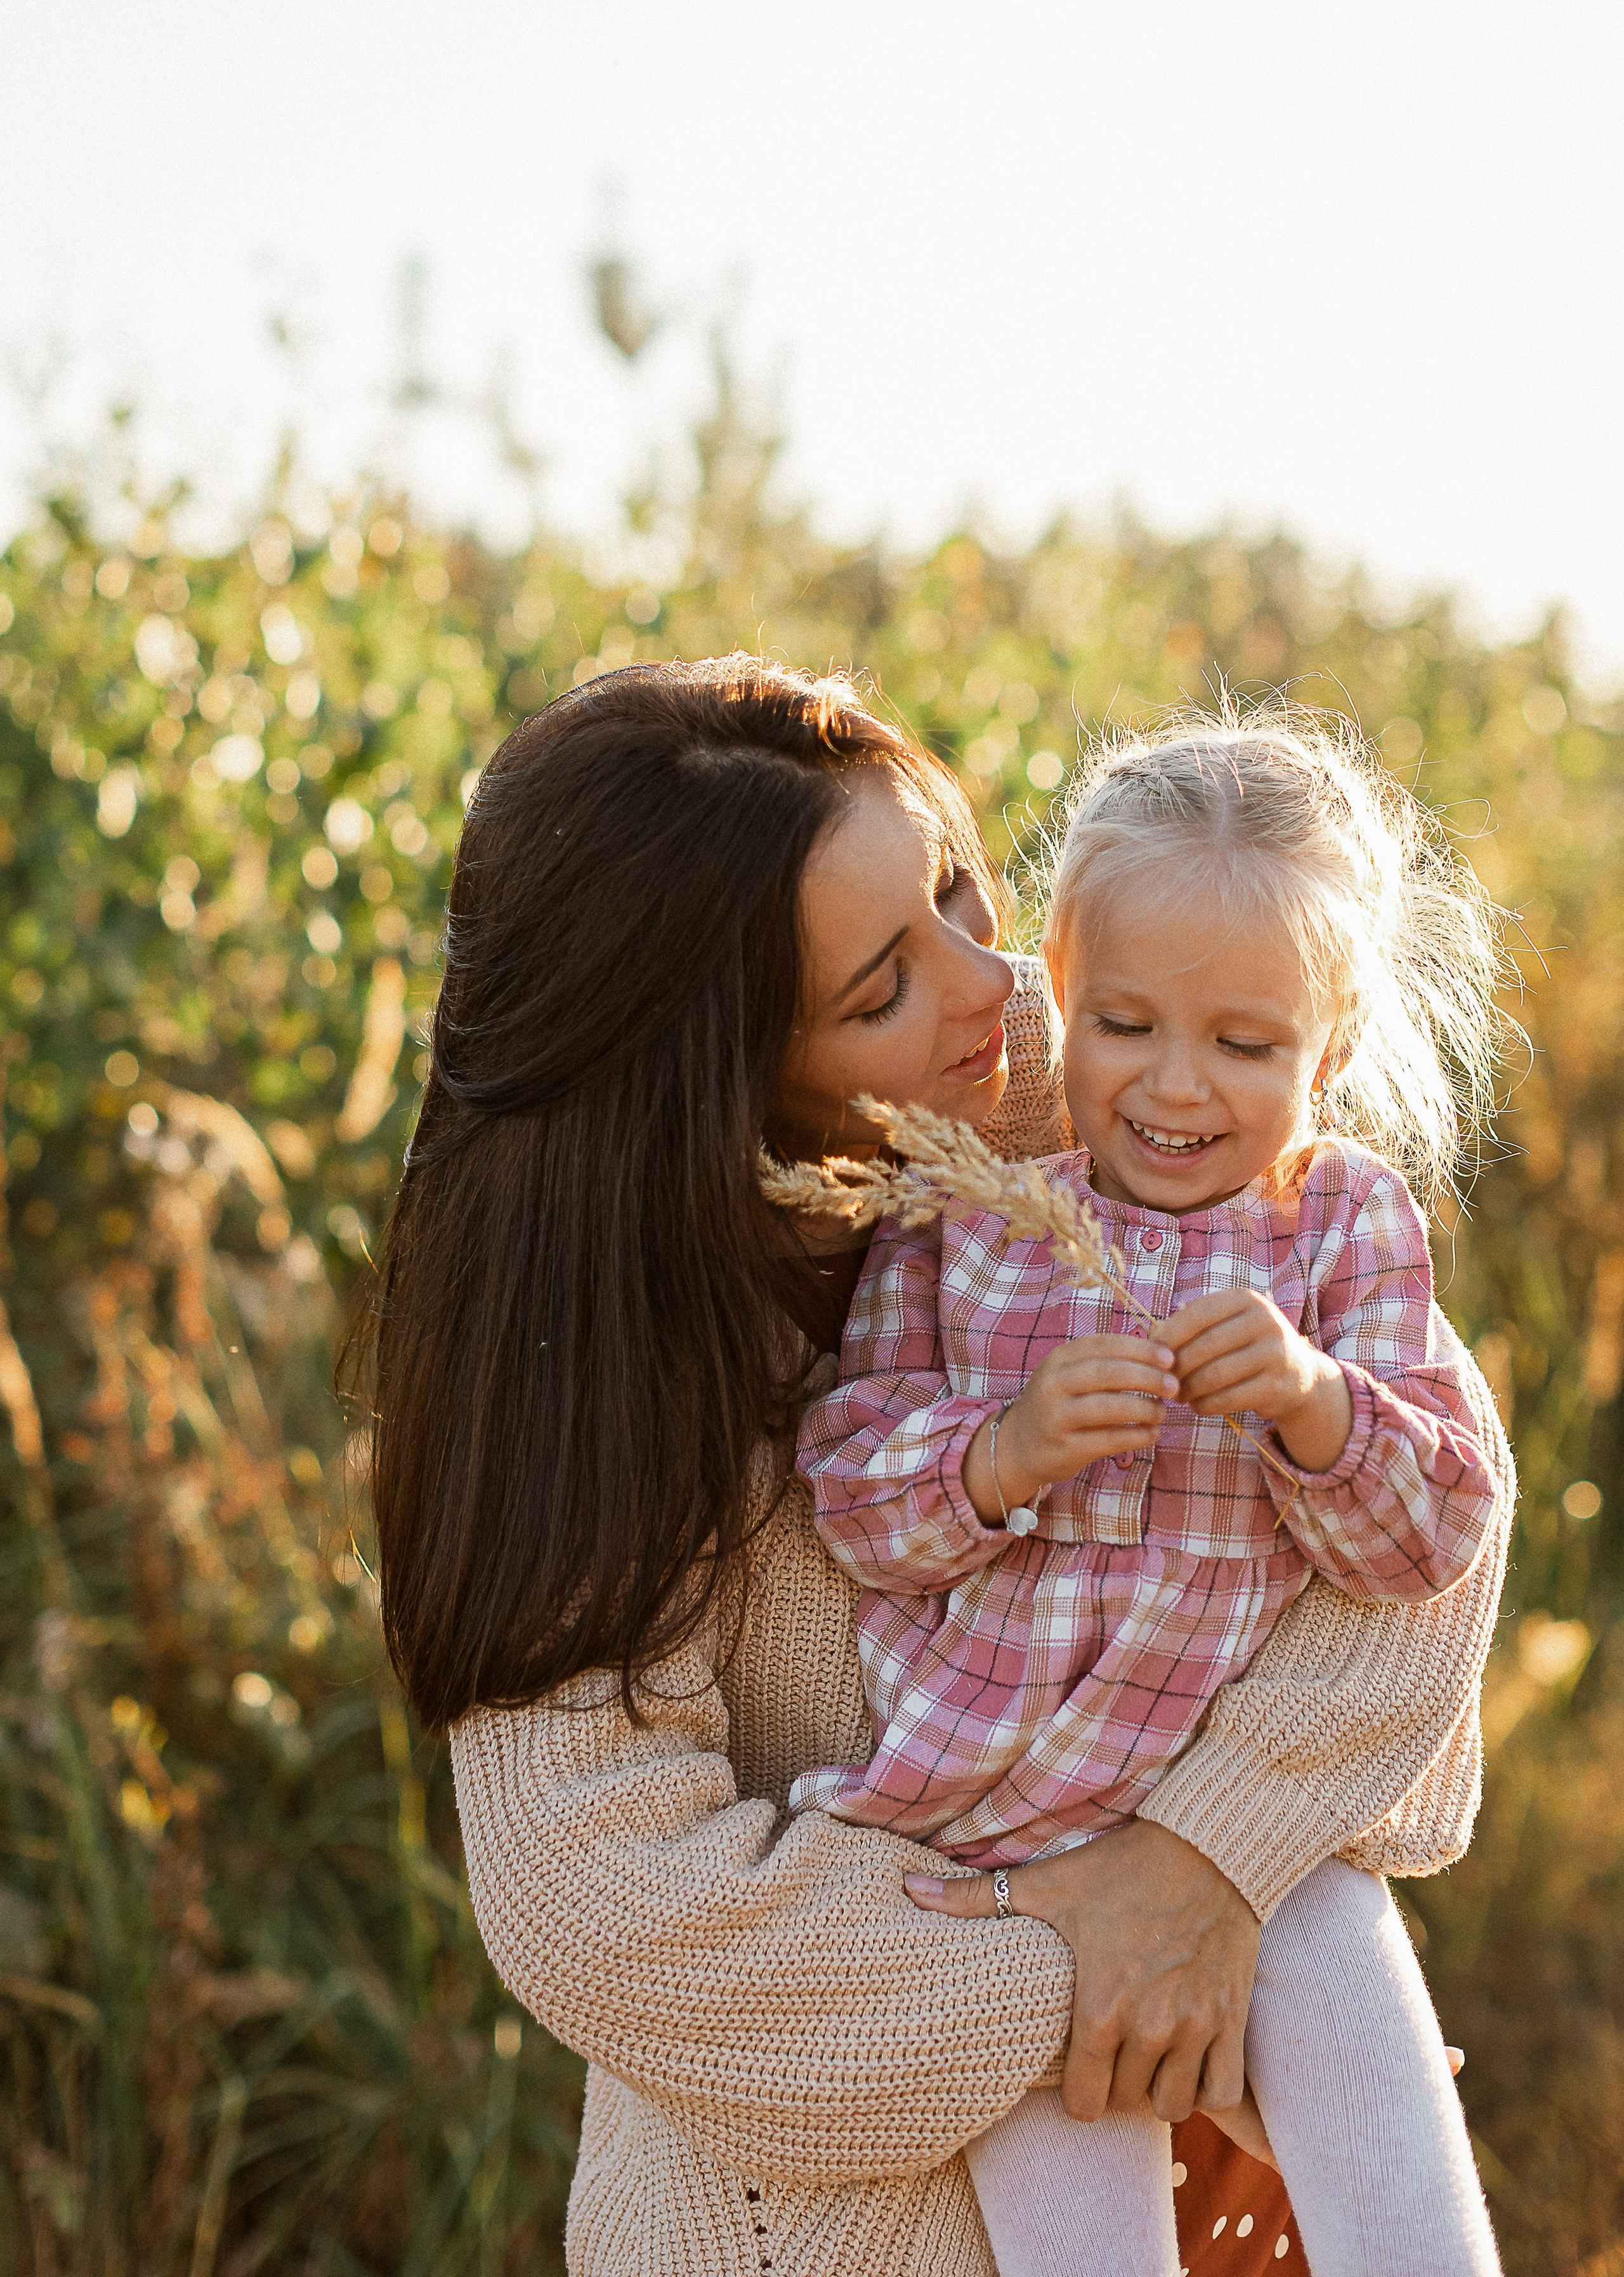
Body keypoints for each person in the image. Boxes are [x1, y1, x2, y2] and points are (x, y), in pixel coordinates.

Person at [356, 658, 1512, 2277]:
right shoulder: (583, 1370)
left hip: (1211, 2160)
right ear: (718, 1067)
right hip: (846, 2227)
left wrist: (1206, 1863)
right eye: (881, 985)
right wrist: (1101, 1963)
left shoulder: (1091, 1074)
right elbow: (601, 1901)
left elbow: (1433, 1511)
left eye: (960, 891)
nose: (990, 987)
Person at [792, 714, 1508, 2274]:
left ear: (1326, 1050)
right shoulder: (965, 1232)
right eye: (1122, 1024)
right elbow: (849, 1494)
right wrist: (1004, 1452)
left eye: (1244, 1047)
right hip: (992, 1847)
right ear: (1058, 990)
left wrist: (1317, 1412)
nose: (1173, 1087)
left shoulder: (1341, 1233)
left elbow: (1431, 1540)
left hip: (1254, 1844)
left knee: (1396, 2193)